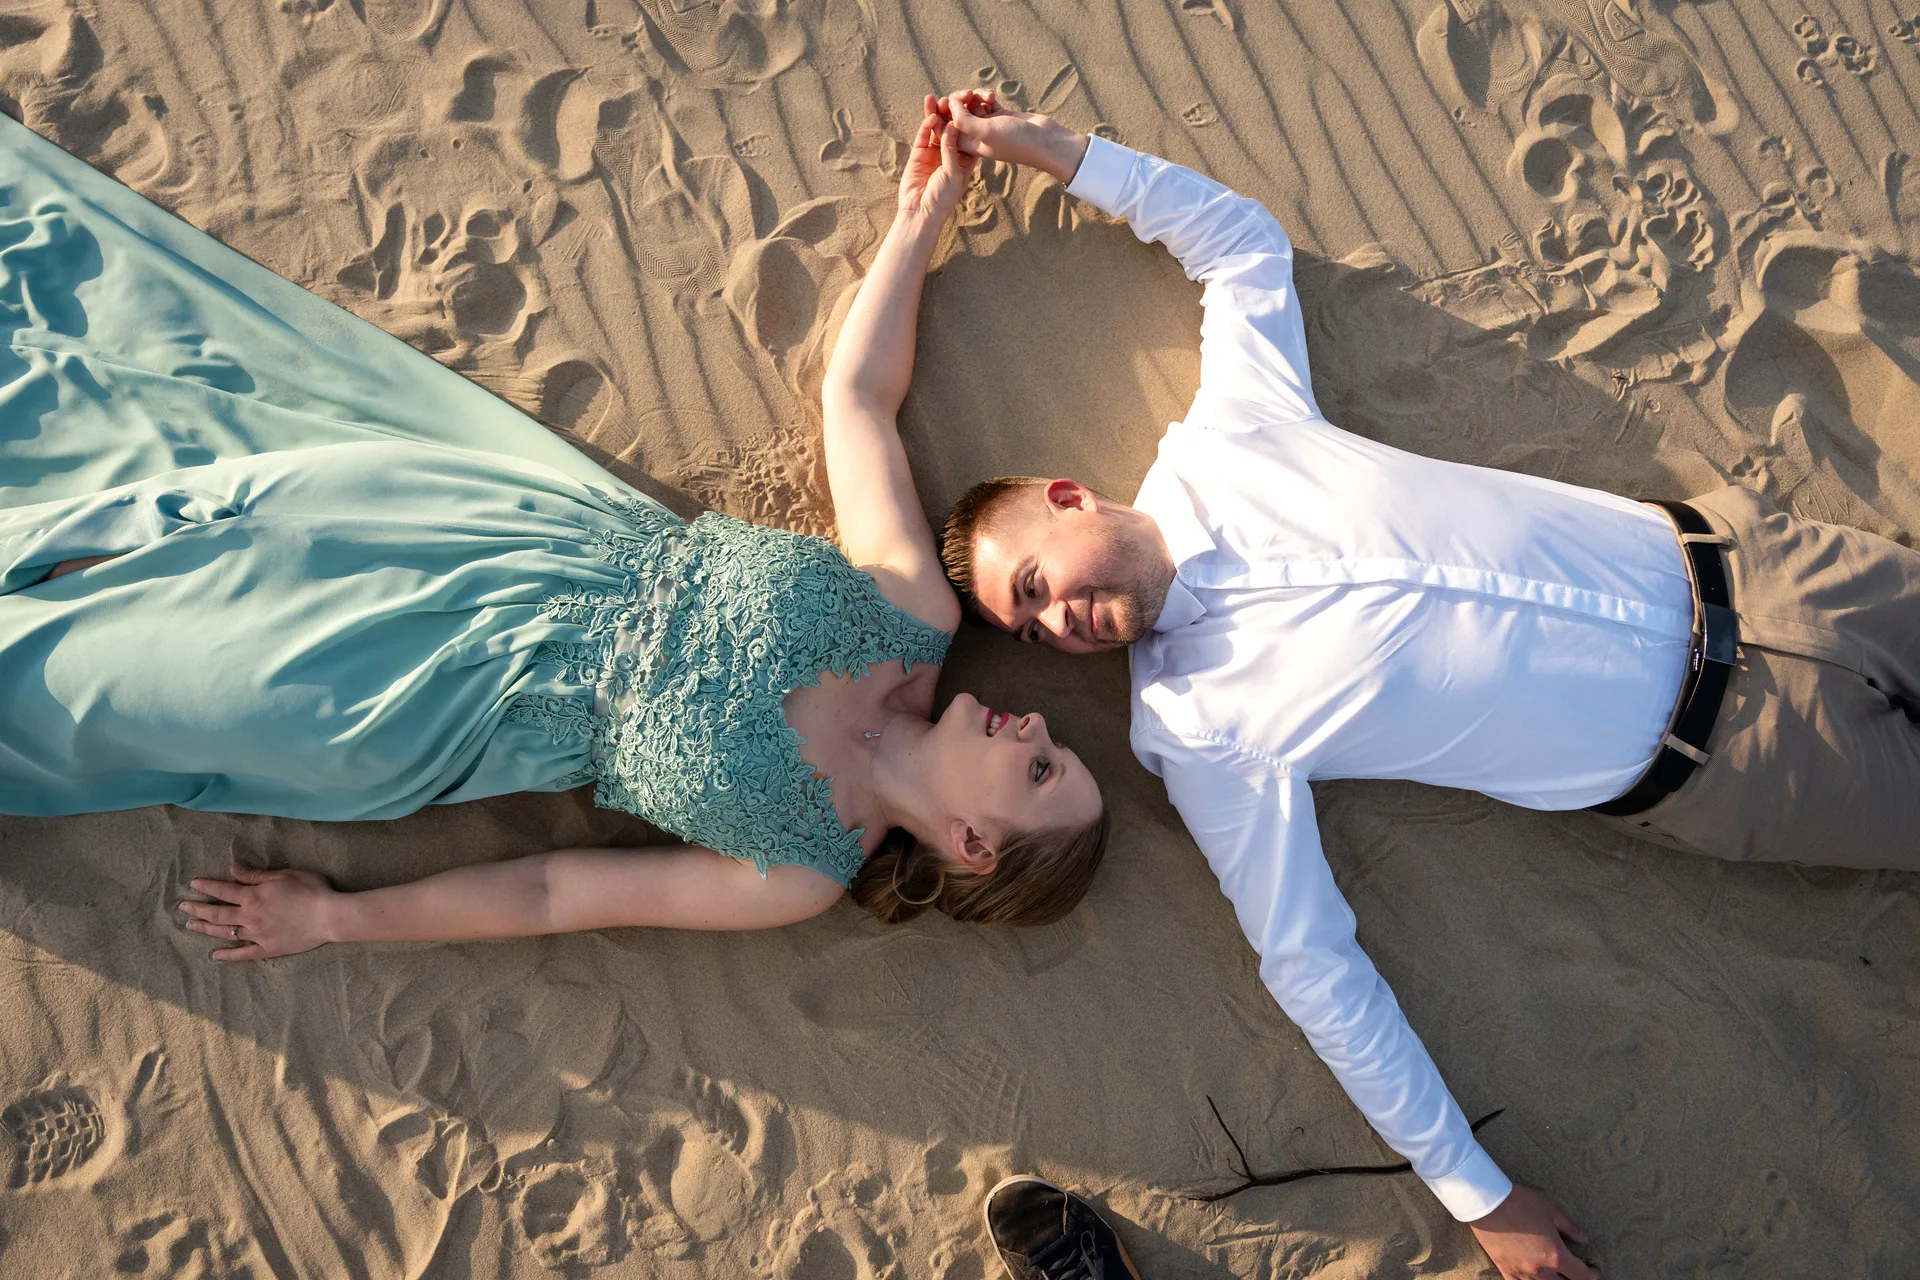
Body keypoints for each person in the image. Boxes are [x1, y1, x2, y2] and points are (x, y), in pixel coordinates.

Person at [931, 91, 1920, 1280]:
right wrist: (1476, 1190)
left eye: (1035, 580)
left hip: (1769, 568)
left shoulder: (1231, 434)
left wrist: (1054, 152)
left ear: (1069, 494)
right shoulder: (1197, 730)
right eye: (1030, 628)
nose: (1056, 621)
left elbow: (1237, 241)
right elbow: (1313, 964)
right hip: (1744, 762)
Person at [0, 102, 1106, 952]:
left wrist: (334, 917)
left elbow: (555, 889)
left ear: (971, 845)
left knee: (97, 678)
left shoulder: (807, 871)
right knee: (174, 507)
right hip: (483, 534)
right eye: (1053, 744)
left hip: (434, 702)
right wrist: (925, 210)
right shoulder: (910, 612)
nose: (1029, 728)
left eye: (1042, 771)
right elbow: (857, 401)